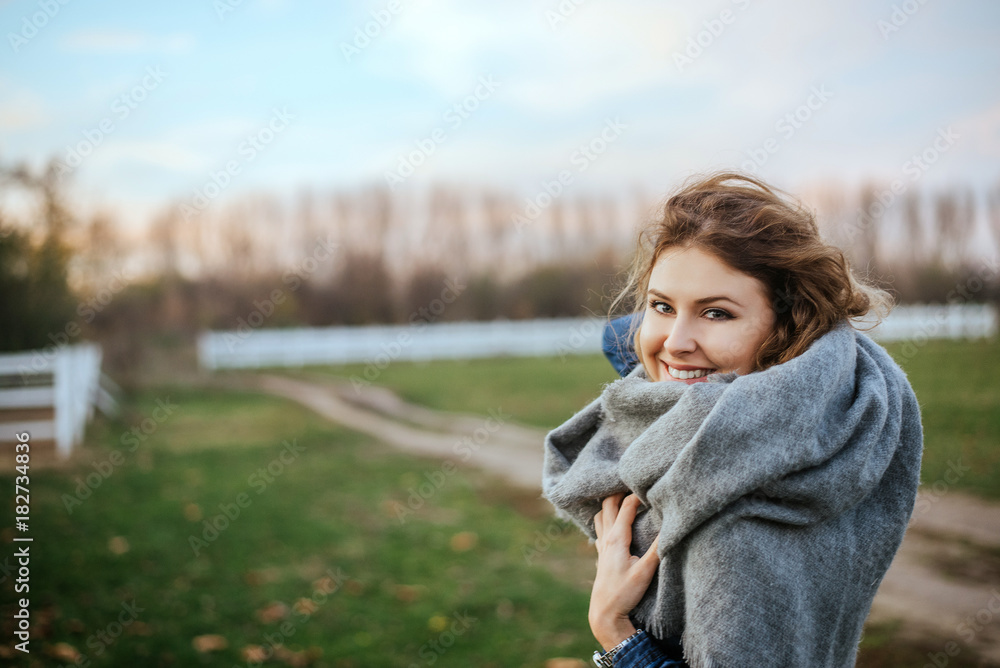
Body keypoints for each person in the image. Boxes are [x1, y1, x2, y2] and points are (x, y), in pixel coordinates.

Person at [541, 171, 924, 667]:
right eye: (661, 305)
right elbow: (625, 337)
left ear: (787, 327)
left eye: (716, 313)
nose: (674, 341)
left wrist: (616, 634)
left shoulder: (731, 532)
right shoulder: (831, 401)